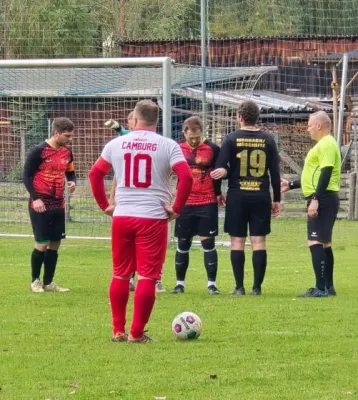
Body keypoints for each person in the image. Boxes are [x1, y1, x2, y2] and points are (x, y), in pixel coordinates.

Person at [89, 100, 193, 343]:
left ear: (134, 119)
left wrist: (105, 205)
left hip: (123, 216)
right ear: (157, 120)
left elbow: (95, 174)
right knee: (147, 277)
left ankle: (118, 330)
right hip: (153, 217)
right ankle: (136, 333)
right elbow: (186, 176)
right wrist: (176, 208)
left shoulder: (116, 143)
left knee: (121, 274)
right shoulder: (168, 145)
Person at [211, 100, 281, 296]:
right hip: (260, 195)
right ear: (256, 117)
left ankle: (239, 287)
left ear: (240, 117)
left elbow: (218, 169)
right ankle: (257, 288)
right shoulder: (268, 139)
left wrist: (218, 192)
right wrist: (277, 199)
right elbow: (275, 173)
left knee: (237, 242)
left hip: (237, 196)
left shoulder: (231, 139)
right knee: (259, 242)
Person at [281, 111, 341, 297]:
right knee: (324, 243)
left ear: (319, 126)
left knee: (315, 241)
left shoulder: (327, 144)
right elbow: (313, 175)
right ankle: (328, 287)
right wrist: (291, 184)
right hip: (323, 197)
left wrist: (315, 199)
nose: (307, 129)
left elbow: (326, 173)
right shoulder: (323, 145)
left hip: (323, 198)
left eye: (309, 125)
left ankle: (320, 288)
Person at [105, 112, 166, 293]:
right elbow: (117, 176)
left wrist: (116, 127)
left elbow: (96, 173)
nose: (131, 124)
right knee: (130, 248)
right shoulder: (127, 141)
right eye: (129, 122)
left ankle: (154, 279)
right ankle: (133, 278)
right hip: (134, 205)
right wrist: (111, 197)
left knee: (147, 248)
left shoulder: (136, 140)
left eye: (133, 120)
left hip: (146, 204)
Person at [171, 116, 225, 295]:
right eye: (190, 138)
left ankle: (211, 284)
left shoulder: (213, 148)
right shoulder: (177, 149)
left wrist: (219, 191)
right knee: (183, 242)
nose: (193, 141)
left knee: (208, 243)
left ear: (202, 133)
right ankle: (180, 284)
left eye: (197, 137)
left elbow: (221, 170)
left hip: (207, 201)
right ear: (184, 133)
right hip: (185, 202)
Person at [23, 117, 76, 293]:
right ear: (56, 133)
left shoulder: (67, 152)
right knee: (41, 243)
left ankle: (49, 282)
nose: (70, 139)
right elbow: (27, 177)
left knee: (55, 243)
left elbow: (70, 171)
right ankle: (35, 281)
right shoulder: (38, 151)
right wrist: (35, 198)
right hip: (40, 203)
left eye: (71, 135)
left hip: (58, 203)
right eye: (67, 135)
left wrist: (72, 181)